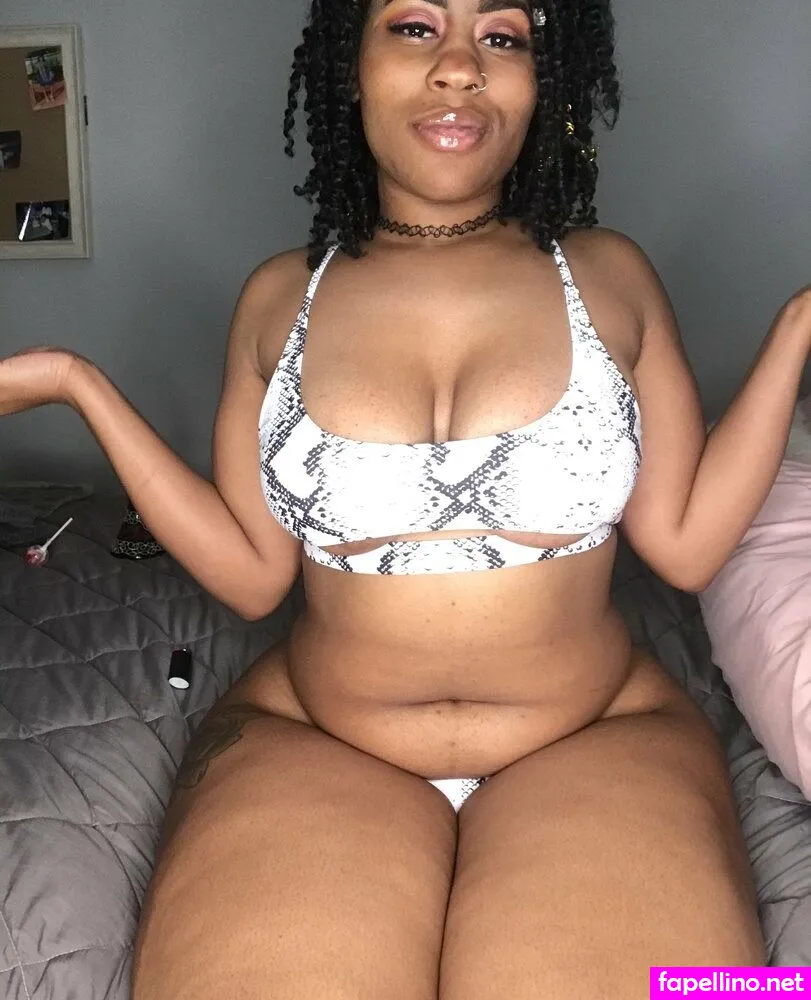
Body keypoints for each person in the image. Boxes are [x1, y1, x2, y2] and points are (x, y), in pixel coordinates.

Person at [2, 0, 809, 995]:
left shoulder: (609, 276)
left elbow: (683, 547)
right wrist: (75, 382)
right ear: (352, 66)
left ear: (541, 82)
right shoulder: (278, 299)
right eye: (416, 27)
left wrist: (798, 325)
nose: (460, 66)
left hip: (597, 732)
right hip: (322, 738)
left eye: (502, 36)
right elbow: (253, 578)